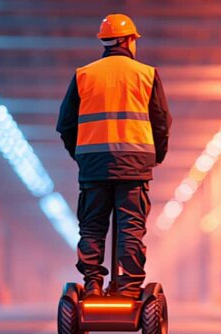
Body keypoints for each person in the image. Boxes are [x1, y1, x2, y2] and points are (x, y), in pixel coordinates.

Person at [56, 14, 172, 299]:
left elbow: (66, 125)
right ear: (130, 40)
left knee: (92, 227)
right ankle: (130, 287)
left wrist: (82, 155)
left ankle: (93, 285)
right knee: (131, 228)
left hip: (94, 167)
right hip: (134, 167)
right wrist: (155, 156)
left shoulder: (84, 75)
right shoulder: (146, 74)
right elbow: (161, 122)